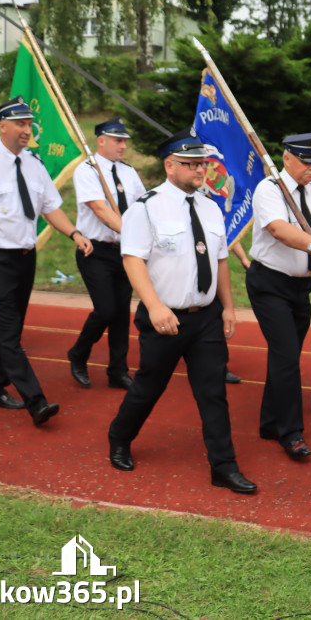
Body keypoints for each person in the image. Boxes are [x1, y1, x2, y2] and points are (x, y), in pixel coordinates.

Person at [106, 127, 256, 494]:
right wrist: (154, 307)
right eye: (190, 165)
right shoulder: (146, 207)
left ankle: (223, 467)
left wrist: (228, 307)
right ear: (170, 166)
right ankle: (119, 437)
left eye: (202, 164)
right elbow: (133, 260)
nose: (199, 171)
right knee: (149, 387)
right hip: (164, 317)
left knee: (213, 393)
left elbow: (220, 259)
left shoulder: (210, 207)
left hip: (204, 317)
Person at [0, 96, 93, 426]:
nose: (27, 130)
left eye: (28, 124)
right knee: (9, 330)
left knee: (7, 327)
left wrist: (75, 233)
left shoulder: (33, 164)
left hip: (25, 256)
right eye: (20, 124)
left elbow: (49, 206)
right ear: (3, 126)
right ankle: (35, 401)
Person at [245, 133, 311, 459]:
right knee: (287, 357)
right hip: (269, 283)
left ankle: (270, 422)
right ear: (287, 158)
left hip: (300, 287)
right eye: (304, 161)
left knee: (284, 356)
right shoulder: (269, 188)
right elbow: (277, 229)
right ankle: (292, 433)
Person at [66, 118, 146, 391]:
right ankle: (78, 353)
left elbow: (142, 207)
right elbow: (101, 210)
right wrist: (131, 232)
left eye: (124, 141)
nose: (123, 146)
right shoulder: (87, 170)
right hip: (95, 250)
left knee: (122, 313)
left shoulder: (129, 172)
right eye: (118, 140)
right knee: (106, 309)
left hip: (124, 252)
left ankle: (117, 370)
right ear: (101, 140)